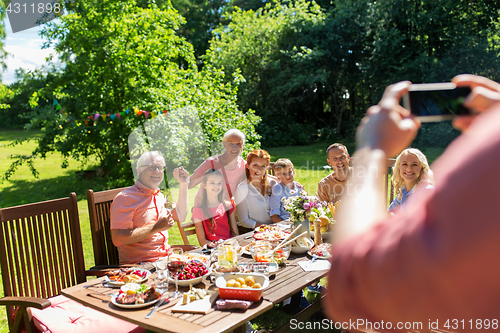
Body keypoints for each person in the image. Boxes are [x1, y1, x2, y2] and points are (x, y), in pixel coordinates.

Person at [324, 75, 500, 330]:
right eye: (403, 164)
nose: (408, 169)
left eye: (413, 165)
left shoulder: (429, 189)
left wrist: (373, 147)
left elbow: (359, 282)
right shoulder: (400, 193)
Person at [110, 151, 189, 264]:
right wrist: (155, 227)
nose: (157, 171)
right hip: (141, 266)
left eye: (160, 168)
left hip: (166, 259)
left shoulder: (158, 195)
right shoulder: (125, 198)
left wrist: (184, 184)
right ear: (139, 170)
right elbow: (118, 239)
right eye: (152, 167)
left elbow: (180, 215)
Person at [188, 129, 247, 205]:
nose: (234, 147)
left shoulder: (244, 166)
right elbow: (190, 184)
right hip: (205, 209)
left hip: (226, 209)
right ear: (224, 144)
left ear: (242, 146)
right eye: (231, 143)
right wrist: (183, 178)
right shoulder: (211, 163)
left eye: (238, 143)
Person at [192, 169, 239, 247]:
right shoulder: (198, 210)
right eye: (212, 183)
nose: (216, 186)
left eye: (219, 183)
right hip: (213, 249)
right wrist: (217, 246)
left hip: (230, 246)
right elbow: (202, 241)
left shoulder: (228, 206)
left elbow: (235, 233)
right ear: (204, 185)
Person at [234, 149, 277, 229]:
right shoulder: (241, 189)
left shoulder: (273, 184)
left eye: (263, 166)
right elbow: (244, 220)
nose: (259, 169)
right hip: (255, 233)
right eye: (255, 165)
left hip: (278, 229)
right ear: (247, 166)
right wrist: (265, 228)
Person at [269, 158, 304, 223]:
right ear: (278, 176)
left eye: (289, 172)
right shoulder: (277, 189)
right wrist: (287, 225)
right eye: (283, 174)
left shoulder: (299, 188)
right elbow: (274, 217)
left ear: (293, 172)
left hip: (300, 222)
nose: (288, 176)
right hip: (284, 223)